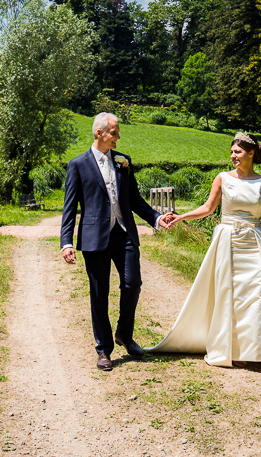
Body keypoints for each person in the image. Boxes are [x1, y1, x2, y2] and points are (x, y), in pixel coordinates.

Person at [150, 132, 261, 371]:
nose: (233, 156)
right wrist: (181, 216)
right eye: (232, 152)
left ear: (251, 154)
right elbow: (208, 207)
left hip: (254, 243)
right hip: (228, 240)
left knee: (259, 297)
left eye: (238, 152)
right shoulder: (223, 178)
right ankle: (234, 351)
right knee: (231, 297)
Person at [61, 113, 175, 370]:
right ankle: (103, 349)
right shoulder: (78, 165)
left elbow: (134, 200)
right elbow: (69, 208)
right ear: (99, 133)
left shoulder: (124, 162)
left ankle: (124, 333)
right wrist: (66, 242)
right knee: (99, 294)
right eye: (114, 132)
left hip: (124, 234)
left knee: (133, 283)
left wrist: (157, 219)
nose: (118, 136)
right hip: (94, 238)